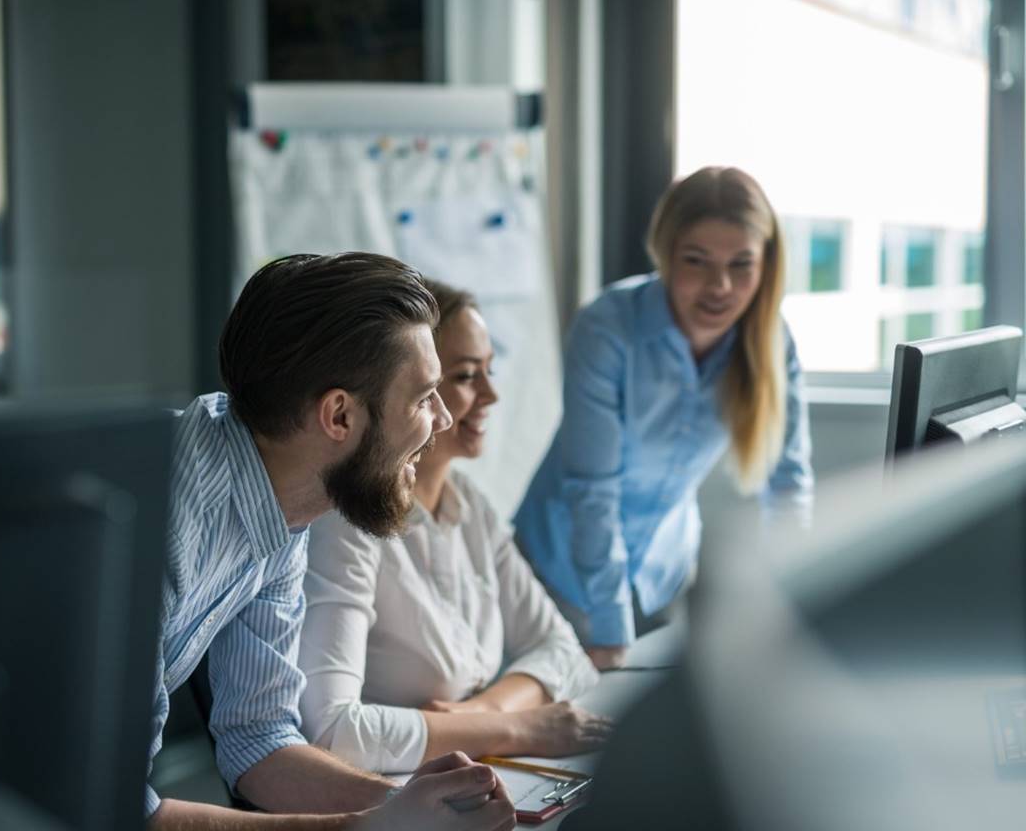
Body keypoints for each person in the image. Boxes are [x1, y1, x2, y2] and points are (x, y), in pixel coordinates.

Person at [147, 253, 516, 831]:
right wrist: (367, 828)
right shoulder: (162, 518)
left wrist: (402, 805)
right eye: (423, 398)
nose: (443, 420)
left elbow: (259, 739)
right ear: (339, 415)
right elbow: (116, 809)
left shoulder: (286, 502)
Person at [298, 279, 608, 775]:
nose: (490, 394)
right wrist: (518, 727)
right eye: (465, 376)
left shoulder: (469, 506)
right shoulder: (346, 521)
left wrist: (478, 714)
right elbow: (334, 736)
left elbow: (563, 650)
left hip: (471, 766)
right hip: (389, 790)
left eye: (489, 370)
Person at [515, 166, 814, 670]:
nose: (720, 287)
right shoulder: (608, 326)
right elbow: (593, 489)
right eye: (697, 261)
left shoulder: (771, 341)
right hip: (559, 574)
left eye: (742, 264)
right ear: (666, 254)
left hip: (663, 573)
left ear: (766, 266)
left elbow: (787, 484)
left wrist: (799, 605)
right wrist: (611, 630)